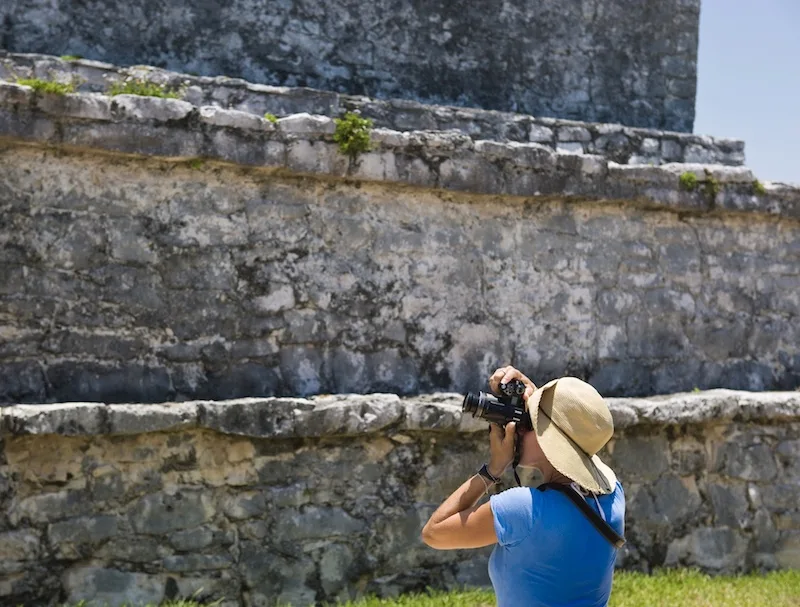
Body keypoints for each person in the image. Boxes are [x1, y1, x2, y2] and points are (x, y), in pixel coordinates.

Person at [421, 365, 625, 607]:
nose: (518, 428)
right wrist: (533, 397)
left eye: (528, 423)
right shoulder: (613, 495)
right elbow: (577, 439)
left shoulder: (524, 509)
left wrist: (493, 469)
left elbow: (434, 533)